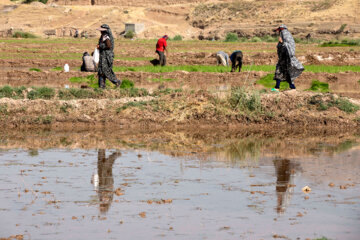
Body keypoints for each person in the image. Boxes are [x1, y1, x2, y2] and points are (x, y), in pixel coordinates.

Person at [272, 24, 304, 92]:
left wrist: (282, 43)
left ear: (282, 29)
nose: (279, 32)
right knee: (285, 72)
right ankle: (291, 87)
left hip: (286, 57)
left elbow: (288, 46)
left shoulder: (285, 34)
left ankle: (278, 87)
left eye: (279, 30)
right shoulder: (285, 35)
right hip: (283, 57)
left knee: (281, 70)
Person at [97, 24, 121, 89]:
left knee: (105, 71)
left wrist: (100, 46)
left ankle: (116, 81)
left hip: (106, 57)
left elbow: (109, 46)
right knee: (101, 71)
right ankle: (102, 86)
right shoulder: (103, 36)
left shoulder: (106, 37)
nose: (100, 31)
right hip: (104, 56)